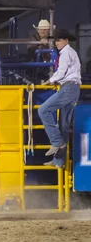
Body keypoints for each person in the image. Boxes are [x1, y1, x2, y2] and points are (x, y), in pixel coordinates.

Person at [39, 29, 82, 169]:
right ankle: (59, 160)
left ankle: (57, 142)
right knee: (63, 125)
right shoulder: (70, 53)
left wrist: (49, 81)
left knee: (43, 110)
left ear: (66, 41)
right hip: (72, 88)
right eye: (56, 40)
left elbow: (61, 71)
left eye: (59, 40)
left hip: (68, 88)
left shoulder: (66, 53)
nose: (57, 43)